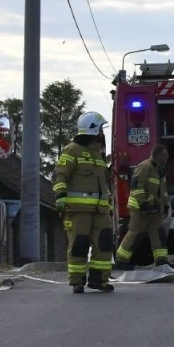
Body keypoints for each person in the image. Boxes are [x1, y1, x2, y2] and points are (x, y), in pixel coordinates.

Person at [53, 110, 117, 293]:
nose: (101, 134)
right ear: (94, 130)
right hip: (78, 209)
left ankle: (100, 280)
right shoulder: (72, 150)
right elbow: (60, 175)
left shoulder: (98, 154)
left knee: (104, 244)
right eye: (100, 130)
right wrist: (60, 196)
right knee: (79, 244)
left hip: (101, 211)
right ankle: (77, 281)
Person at [114, 145, 171, 269]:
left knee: (158, 234)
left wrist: (165, 204)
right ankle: (121, 260)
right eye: (165, 155)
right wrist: (143, 204)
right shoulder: (145, 167)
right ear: (158, 155)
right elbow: (136, 186)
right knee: (135, 233)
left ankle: (161, 260)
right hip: (141, 209)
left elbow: (163, 190)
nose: (167, 157)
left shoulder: (159, 170)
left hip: (155, 209)